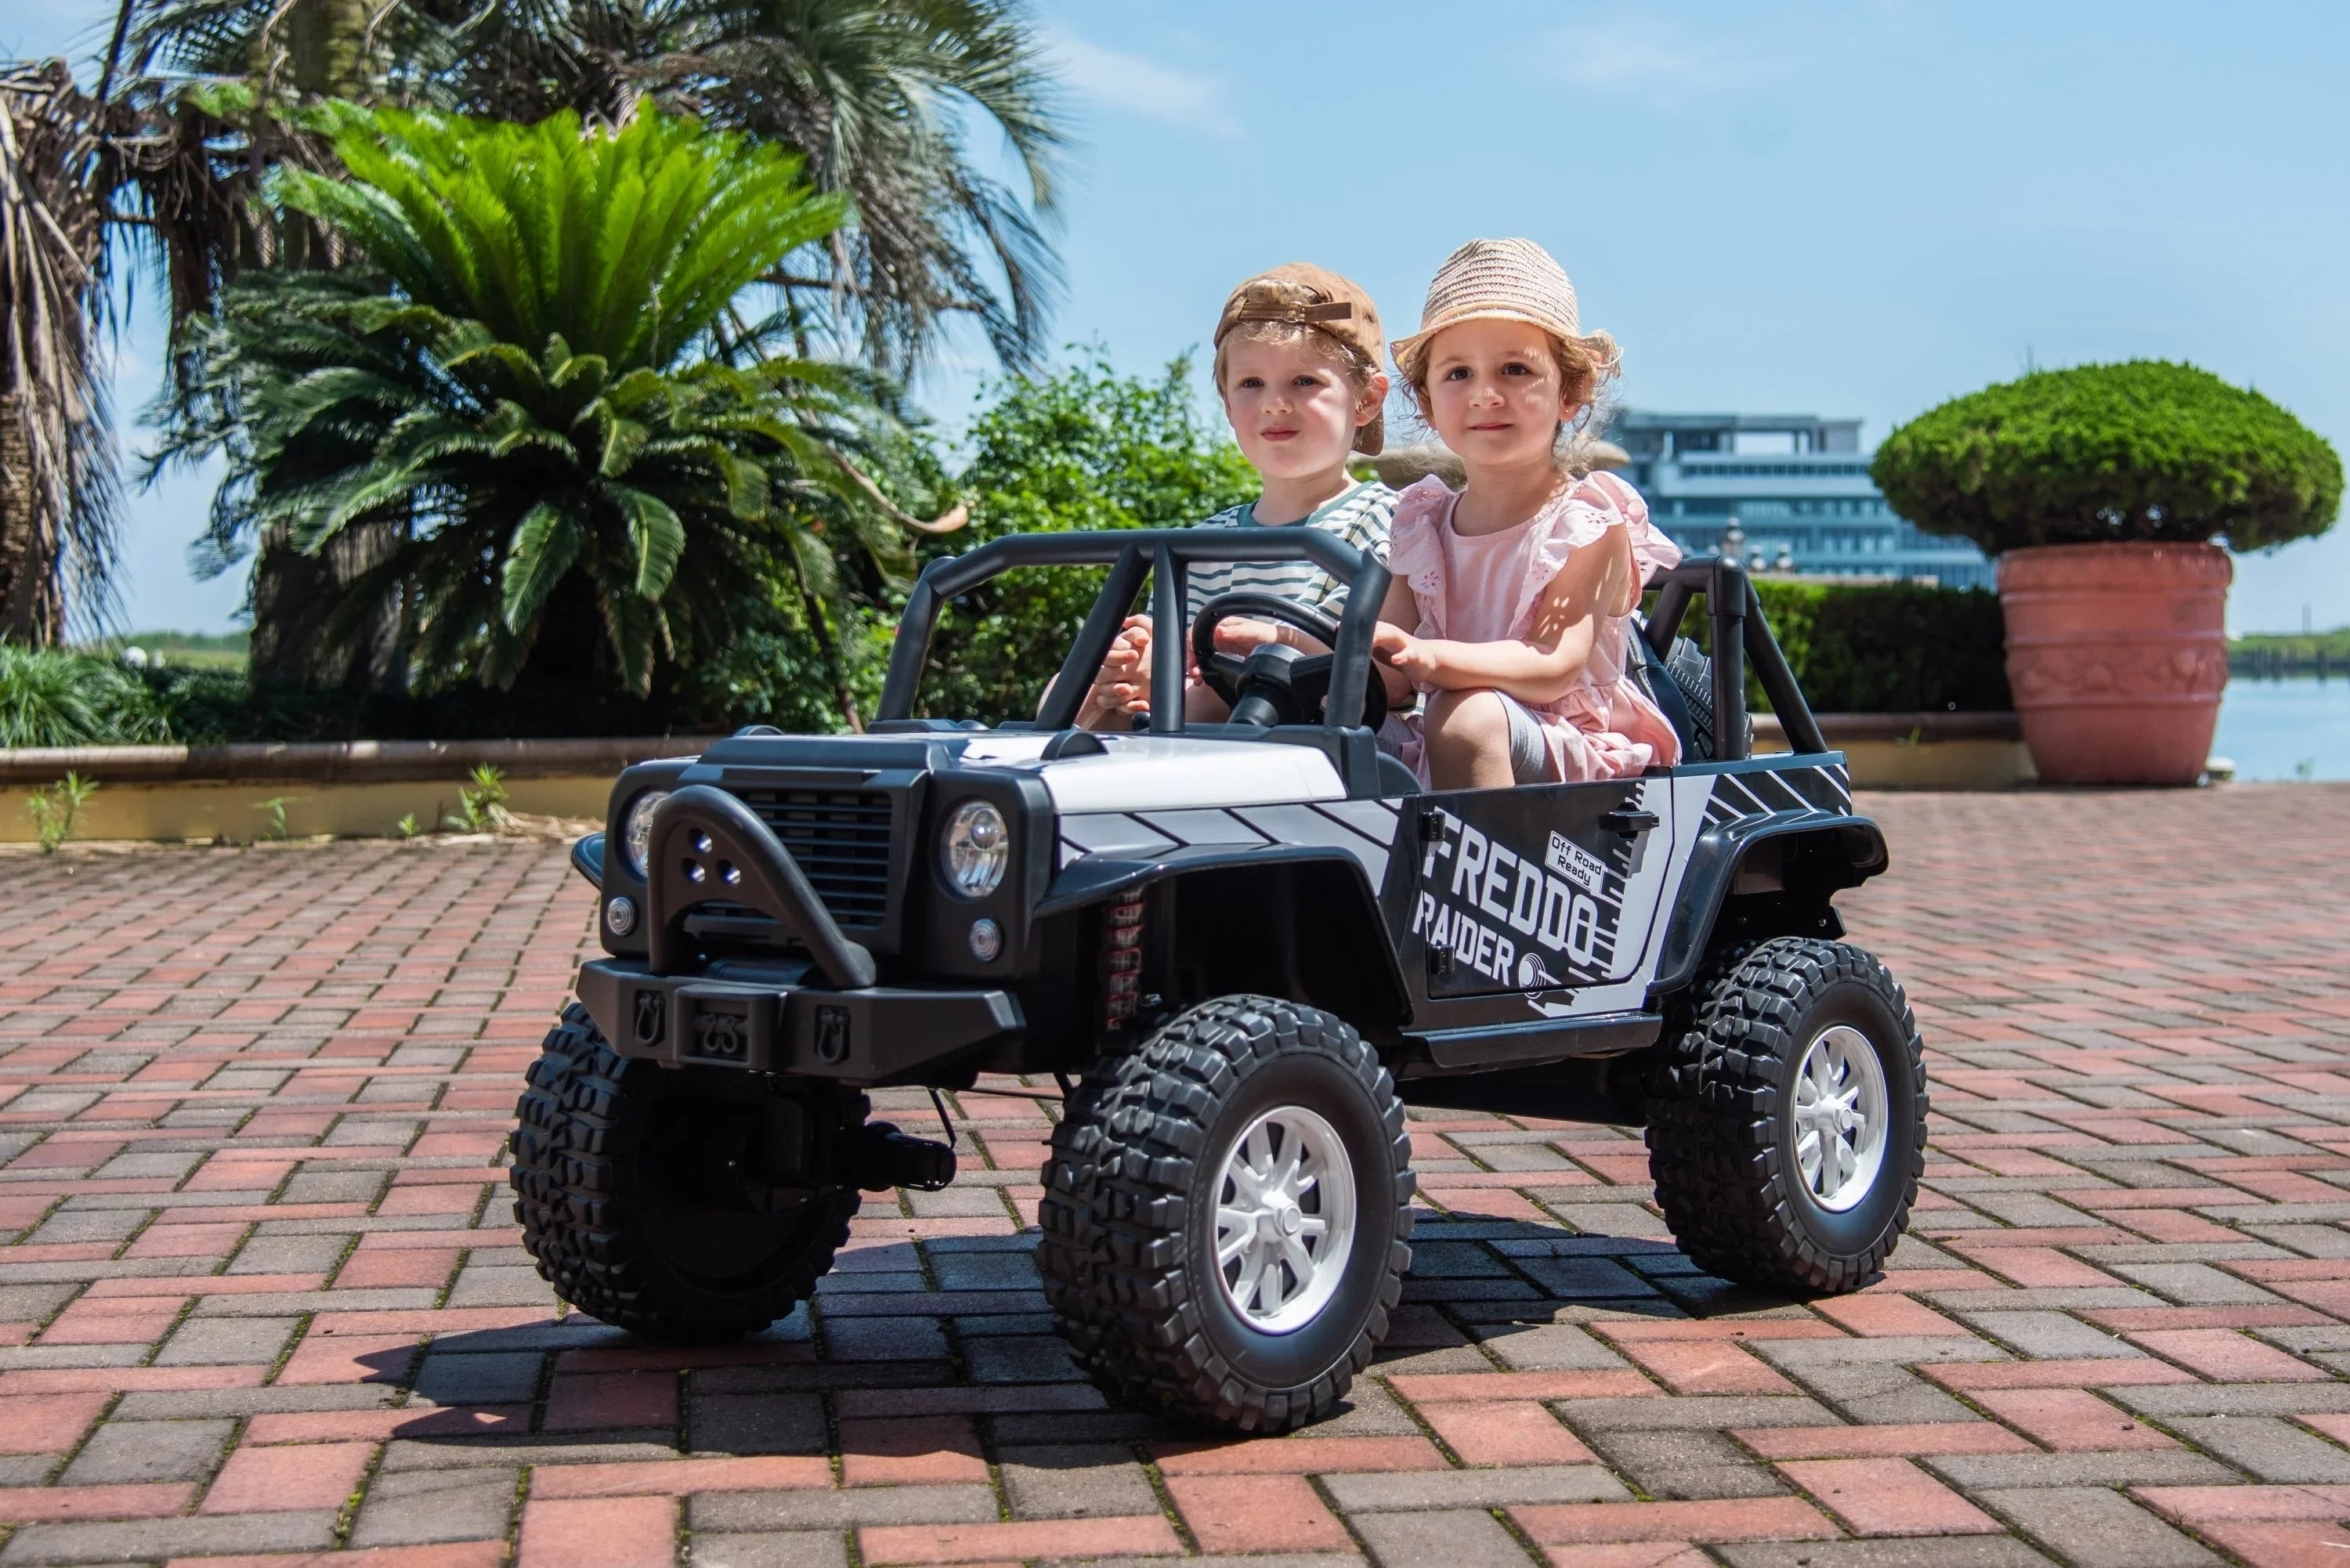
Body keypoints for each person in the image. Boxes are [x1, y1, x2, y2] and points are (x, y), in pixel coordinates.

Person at [1372, 237, 1684, 789]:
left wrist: (1433, 658)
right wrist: (1291, 646)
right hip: (1456, 735)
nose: (1486, 394)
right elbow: (1387, 669)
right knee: (1328, 738)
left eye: (1515, 369)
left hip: (1572, 752)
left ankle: (1476, 851)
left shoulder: (1586, 522)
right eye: (1458, 374)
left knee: (1465, 716)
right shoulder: (1421, 522)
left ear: (1571, 392)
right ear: (1426, 401)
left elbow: (1551, 664)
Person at [1076, 264, 1397, 729]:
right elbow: (1170, 655)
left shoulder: (1392, 522)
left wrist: (1185, 673)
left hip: (1324, 743)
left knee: (1209, 701)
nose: (1274, 403)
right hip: (1195, 730)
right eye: (1251, 384)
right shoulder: (1200, 544)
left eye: (1304, 381)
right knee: (1072, 688)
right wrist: (1132, 661)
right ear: (1228, 404)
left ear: (1366, 399)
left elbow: (1388, 676)